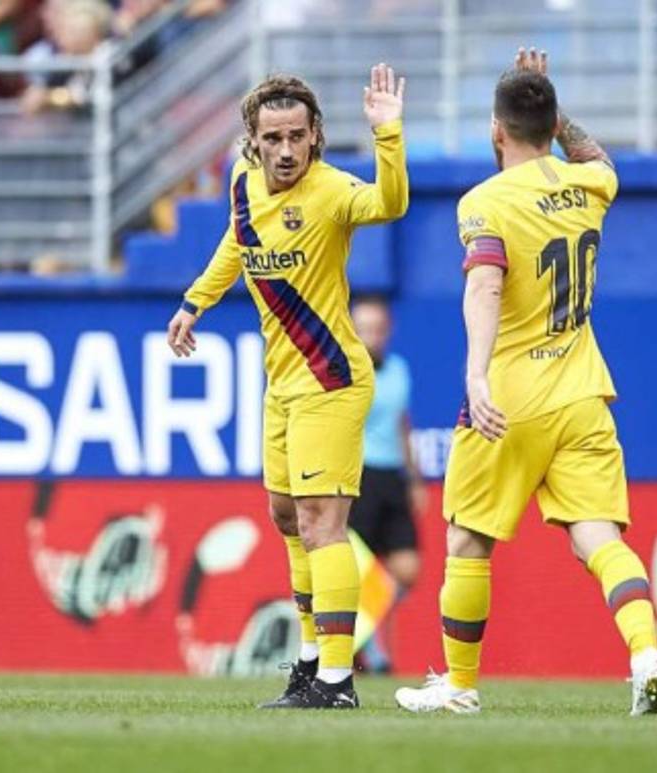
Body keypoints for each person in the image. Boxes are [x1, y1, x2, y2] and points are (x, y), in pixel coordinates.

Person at [395, 47, 657, 716]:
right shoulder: (591, 186)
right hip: (582, 391)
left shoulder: (483, 201)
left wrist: (476, 375)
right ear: (552, 126)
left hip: (512, 396)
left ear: (496, 131)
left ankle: (459, 685)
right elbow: (599, 160)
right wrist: (553, 108)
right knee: (600, 537)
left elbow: (486, 282)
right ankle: (647, 655)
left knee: (468, 537)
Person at [166, 65, 410, 709]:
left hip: (331, 378)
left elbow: (390, 203)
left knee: (322, 522)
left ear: (314, 136)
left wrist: (389, 135)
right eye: (272, 137)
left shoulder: (331, 192)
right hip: (282, 384)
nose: (284, 150)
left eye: (295, 136)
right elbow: (237, 244)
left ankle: (336, 678)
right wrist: (196, 301)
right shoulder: (242, 184)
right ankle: (310, 660)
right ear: (253, 138)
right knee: (286, 517)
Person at [349, 295, 427, 673]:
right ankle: (373, 653)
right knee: (354, 571)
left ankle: (363, 636)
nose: (371, 337)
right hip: (356, 476)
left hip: (391, 477)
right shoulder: (343, 371)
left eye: (377, 329)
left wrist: (414, 478)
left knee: (406, 569)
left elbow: (402, 424)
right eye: (363, 329)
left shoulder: (398, 369)